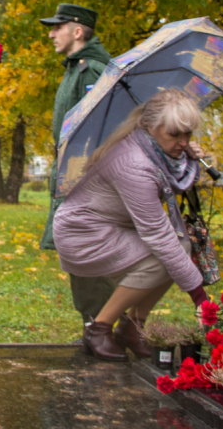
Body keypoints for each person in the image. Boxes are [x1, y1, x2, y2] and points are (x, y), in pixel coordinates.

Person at [53, 89, 210, 361]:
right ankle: (99, 328)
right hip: (82, 233)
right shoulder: (133, 163)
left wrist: (189, 160)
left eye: (188, 135)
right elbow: (158, 236)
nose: (183, 142)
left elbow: (171, 181)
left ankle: (133, 329)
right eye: (175, 134)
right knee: (166, 255)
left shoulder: (153, 149)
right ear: (149, 126)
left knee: (179, 248)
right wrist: (200, 298)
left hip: (111, 227)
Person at [38, 4, 116, 326]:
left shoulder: (92, 71)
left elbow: (105, 128)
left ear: (78, 31)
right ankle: (94, 326)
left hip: (86, 180)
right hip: (72, 178)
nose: (51, 33)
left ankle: (102, 326)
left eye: (58, 27)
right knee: (77, 254)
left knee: (87, 254)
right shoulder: (75, 68)